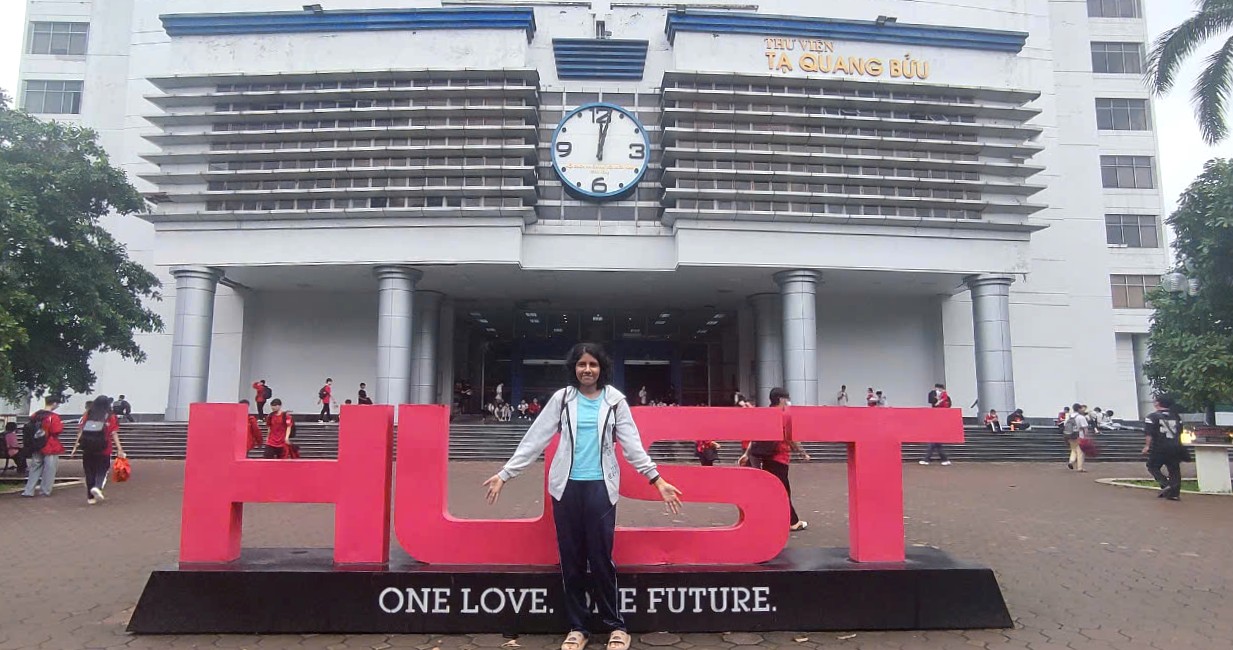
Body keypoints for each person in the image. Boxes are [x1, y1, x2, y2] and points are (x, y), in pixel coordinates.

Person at [482, 343, 681, 650]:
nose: (587, 370)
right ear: (573, 368)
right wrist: (506, 473)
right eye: (581, 364)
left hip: (600, 489)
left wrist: (657, 479)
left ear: (602, 368)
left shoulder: (615, 401)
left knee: (600, 559)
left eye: (593, 364)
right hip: (566, 489)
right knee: (571, 560)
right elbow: (535, 438)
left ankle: (616, 626)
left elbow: (632, 446)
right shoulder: (562, 399)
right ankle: (578, 628)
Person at [739, 387, 811, 531]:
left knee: (772, 490)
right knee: (783, 491)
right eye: (787, 398)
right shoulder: (783, 416)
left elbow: (756, 437)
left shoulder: (766, 414)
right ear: (781, 399)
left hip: (766, 458)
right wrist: (803, 453)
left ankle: (771, 519)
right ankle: (793, 522)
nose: (788, 401)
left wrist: (746, 454)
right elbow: (790, 438)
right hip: (779, 458)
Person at [69, 395, 125, 505]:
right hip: (104, 447)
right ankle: (98, 486)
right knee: (102, 469)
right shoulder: (110, 416)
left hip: (87, 447)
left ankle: (90, 498)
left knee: (89, 472)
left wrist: (75, 447)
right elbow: (114, 433)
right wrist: (120, 449)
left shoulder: (88, 414)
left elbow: (81, 431)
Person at [1143, 395, 1186, 501]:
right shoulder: (1176, 416)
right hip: (1175, 446)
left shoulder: (1152, 417)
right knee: (1174, 469)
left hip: (1159, 447)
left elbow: (1149, 433)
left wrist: (1147, 446)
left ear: (1158, 403)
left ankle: (1165, 485)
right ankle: (1174, 493)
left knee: (1152, 466)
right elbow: (1180, 431)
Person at [22, 396, 65, 497]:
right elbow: (56, 430)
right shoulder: (53, 417)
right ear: (54, 403)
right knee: (49, 469)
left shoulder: (35, 415)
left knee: (34, 467)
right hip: (50, 445)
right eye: (57, 404)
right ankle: (45, 490)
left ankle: (28, 491)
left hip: (36, 444)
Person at [920, 384, 952, 465]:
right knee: (937, 443)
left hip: (941, 419)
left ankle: (926, 459)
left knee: (934, 441)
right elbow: (932, 401)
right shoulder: (933, 394)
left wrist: (940, 400)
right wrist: (937, 399)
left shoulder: (946, 397)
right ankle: (944, 459)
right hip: (935, 418)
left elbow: (948, 405)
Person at [1065, 402, 1089, 472]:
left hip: (1070, 435)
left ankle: (1071, 461)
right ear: (1079, 409)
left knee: (1073, 450)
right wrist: (1086, 436)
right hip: (1079, 435)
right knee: (1080, 452)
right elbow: (1085, 428)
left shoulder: (1069, 416)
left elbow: (1065, 425)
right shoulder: (1081, 417)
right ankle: (1080, 467)